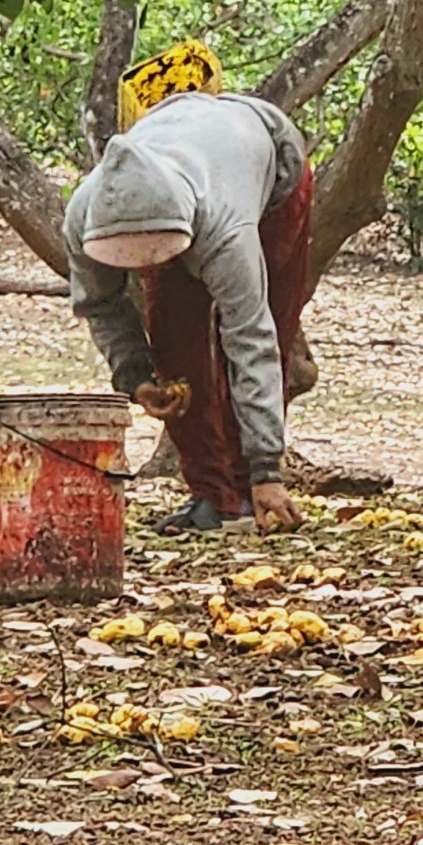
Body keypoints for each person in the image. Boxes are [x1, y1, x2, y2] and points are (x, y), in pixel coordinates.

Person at [66, 42, 315, 533]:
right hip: (190, 177)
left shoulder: (226, 226)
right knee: (174, 340)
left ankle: (253, 486)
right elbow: (100, 304)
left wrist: (268, 468)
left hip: (272, 176)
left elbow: (252, 336)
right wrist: (135, 376)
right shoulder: (82, 214)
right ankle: (214, 495)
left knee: (268, 326)